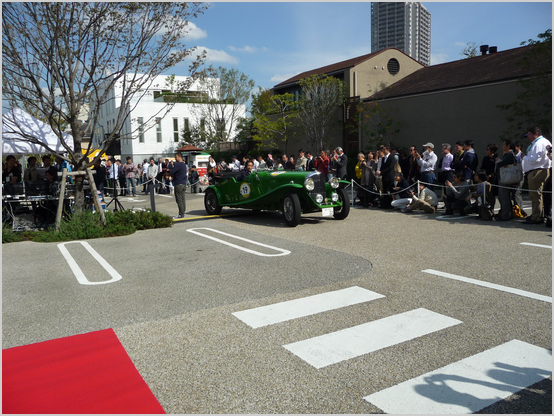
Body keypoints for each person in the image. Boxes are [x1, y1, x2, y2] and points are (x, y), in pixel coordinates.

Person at [522, 126, 552, 224]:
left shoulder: (539, 143)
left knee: (535, 194)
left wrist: (524, 157)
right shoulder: (542, 142)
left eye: (530, 134)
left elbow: (535, 159)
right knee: (535, 194)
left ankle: (537, 216)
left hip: (538, 171)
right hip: (538, 170)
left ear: (536, 134)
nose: (528, 137)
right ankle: (537, 214)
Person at [494, 140, 519, 221]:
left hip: (505, 179)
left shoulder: (509, 154)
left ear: (508, 146)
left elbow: (501, 164)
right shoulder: (508, 154)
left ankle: (505, 215)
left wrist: (498, 161)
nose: (502, 146)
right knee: (505, 197)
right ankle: (509, 213)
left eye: (504, 144)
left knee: (504, 197)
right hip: (506, 178)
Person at [169, 152, 188, 219]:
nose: (175, 158)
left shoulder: (179, 164)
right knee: (183, 199)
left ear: (180, 157)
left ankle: (181, 214)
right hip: (183, 183)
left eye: (176, 157)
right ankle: (183, 212)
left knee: (179, 199)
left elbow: (171, 172)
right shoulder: (184, 165)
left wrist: (170, 169)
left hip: (178, 183)